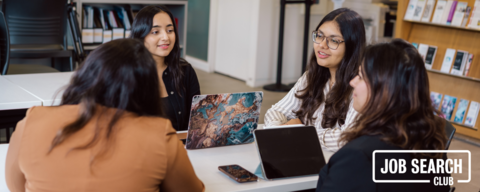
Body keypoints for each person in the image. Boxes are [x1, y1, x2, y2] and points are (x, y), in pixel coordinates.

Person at [5, 39, 205, 192]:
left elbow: (15, 186)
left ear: (85, 74)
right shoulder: (159, 134)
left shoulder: (31, 121)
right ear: (146, 88)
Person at [316, 39, 449, 191]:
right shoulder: (431, 142)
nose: (352, 82)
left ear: (383, 89)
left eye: (360, 76)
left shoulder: (358, 156)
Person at [264, 8, 366, 151]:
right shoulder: (311, 77)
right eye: (319, 36)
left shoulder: (360, 88)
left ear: (351, 46)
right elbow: (275, 111)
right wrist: (280, 129)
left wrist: (300, 132)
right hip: (306, 156)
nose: (322, 45)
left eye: (334, 40)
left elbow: (347, 138)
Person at [131, 5, 200, 131]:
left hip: (180, 147)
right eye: (155, 32)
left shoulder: (185, 71)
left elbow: (197, 118)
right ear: (140, 35)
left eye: (170, 30)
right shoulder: (127, 74)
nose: (165, 38)